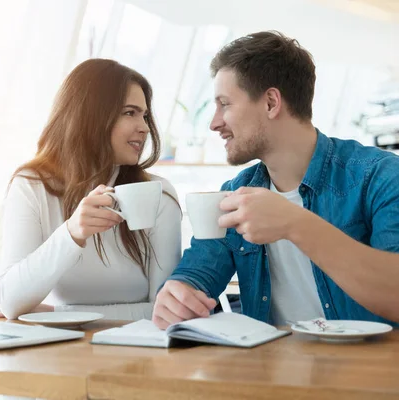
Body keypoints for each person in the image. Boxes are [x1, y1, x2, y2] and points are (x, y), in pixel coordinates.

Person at [152, 31, 399, 329]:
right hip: (270, 371)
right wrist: (178, 294)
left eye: (225, 104)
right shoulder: (233, 194)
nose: (214, 122)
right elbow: (197, 271)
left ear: (271, 102)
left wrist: (295, 223)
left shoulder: (382, 176)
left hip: (365, 372)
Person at [0, 58, 181, 320]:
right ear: (89, 116)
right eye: (130, 113)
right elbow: (9, 301)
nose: (145, 127)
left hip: (139, 353)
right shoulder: (32, 186)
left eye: (145, 115)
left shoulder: (158, 193)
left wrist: (61, 313)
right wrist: (71, 233)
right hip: (61, 355)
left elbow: (167, 310)